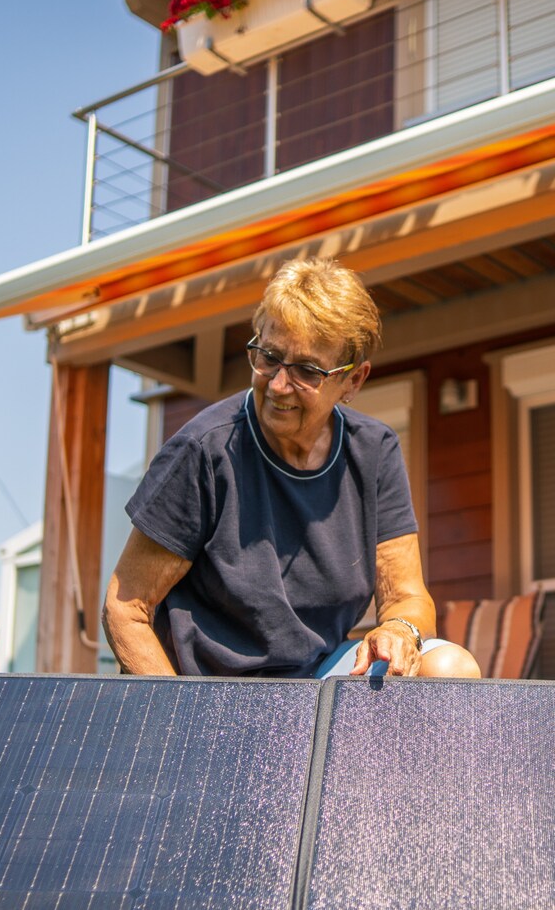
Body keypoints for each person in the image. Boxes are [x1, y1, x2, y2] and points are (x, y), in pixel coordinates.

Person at [103, 256, 481, 681]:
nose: (279, 384)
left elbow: (407, 596)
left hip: (316, 683)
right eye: (268, 357)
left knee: (449, 668)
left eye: (306, 370)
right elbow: (126, 607)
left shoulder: (374, 452)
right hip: (211, 693)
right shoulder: (204, 451)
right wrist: (185, 720)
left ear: (353, 381)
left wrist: (399, 629)